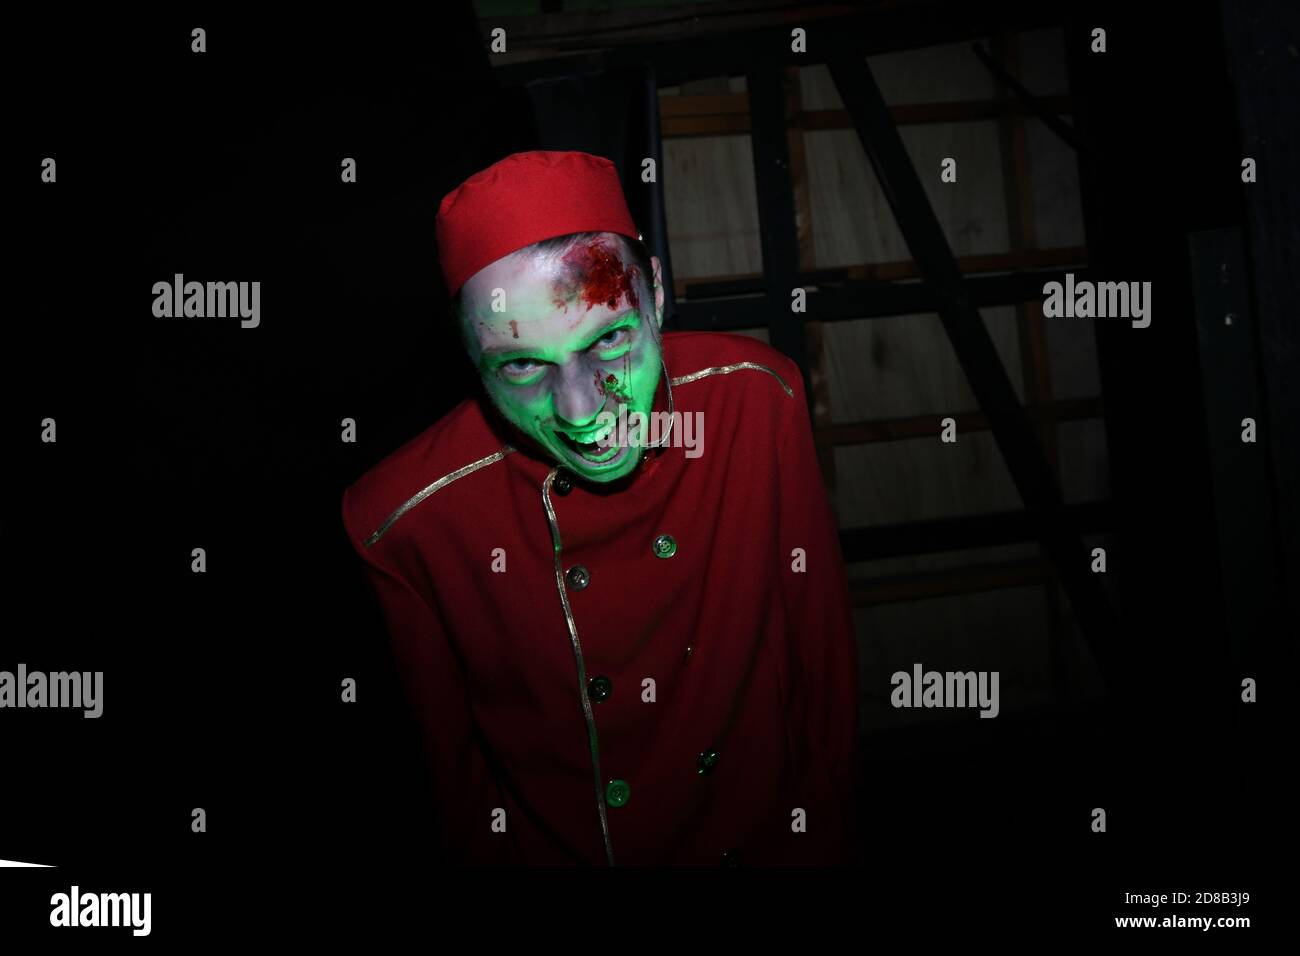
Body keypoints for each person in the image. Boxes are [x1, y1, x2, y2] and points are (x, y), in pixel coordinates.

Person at [340, 149, 858, 866]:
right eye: (523, 364)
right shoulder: (406, 521)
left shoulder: (753, 400)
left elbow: (821, 661)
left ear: (656, 294)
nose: (582, 410)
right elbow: (453, 787)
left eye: (609, 339)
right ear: (468, 355)